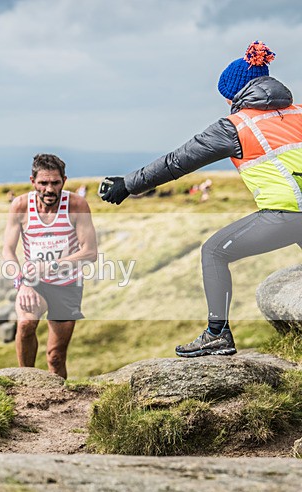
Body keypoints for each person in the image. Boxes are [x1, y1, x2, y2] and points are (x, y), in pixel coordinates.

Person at [100, 41, 302, 357]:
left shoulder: (235, 125)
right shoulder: (299, 112)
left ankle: (217, 333)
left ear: (235, 94)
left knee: (214, 252)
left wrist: (127, 184)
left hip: (286, 216)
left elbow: (177, 161)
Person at [2, 154, 98, 378]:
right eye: (43, 183)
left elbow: (90, 252)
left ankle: (60, 402)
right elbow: (7, 250)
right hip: (33, 283)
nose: (49, 189)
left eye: (55, 182)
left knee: (55, 357)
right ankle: (25, 383)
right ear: (33, 181)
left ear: (64, 180)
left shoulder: (76, 204)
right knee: (26, 324)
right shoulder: (21, 205)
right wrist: (22, 282)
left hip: (67, 285)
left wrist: (52, 266)